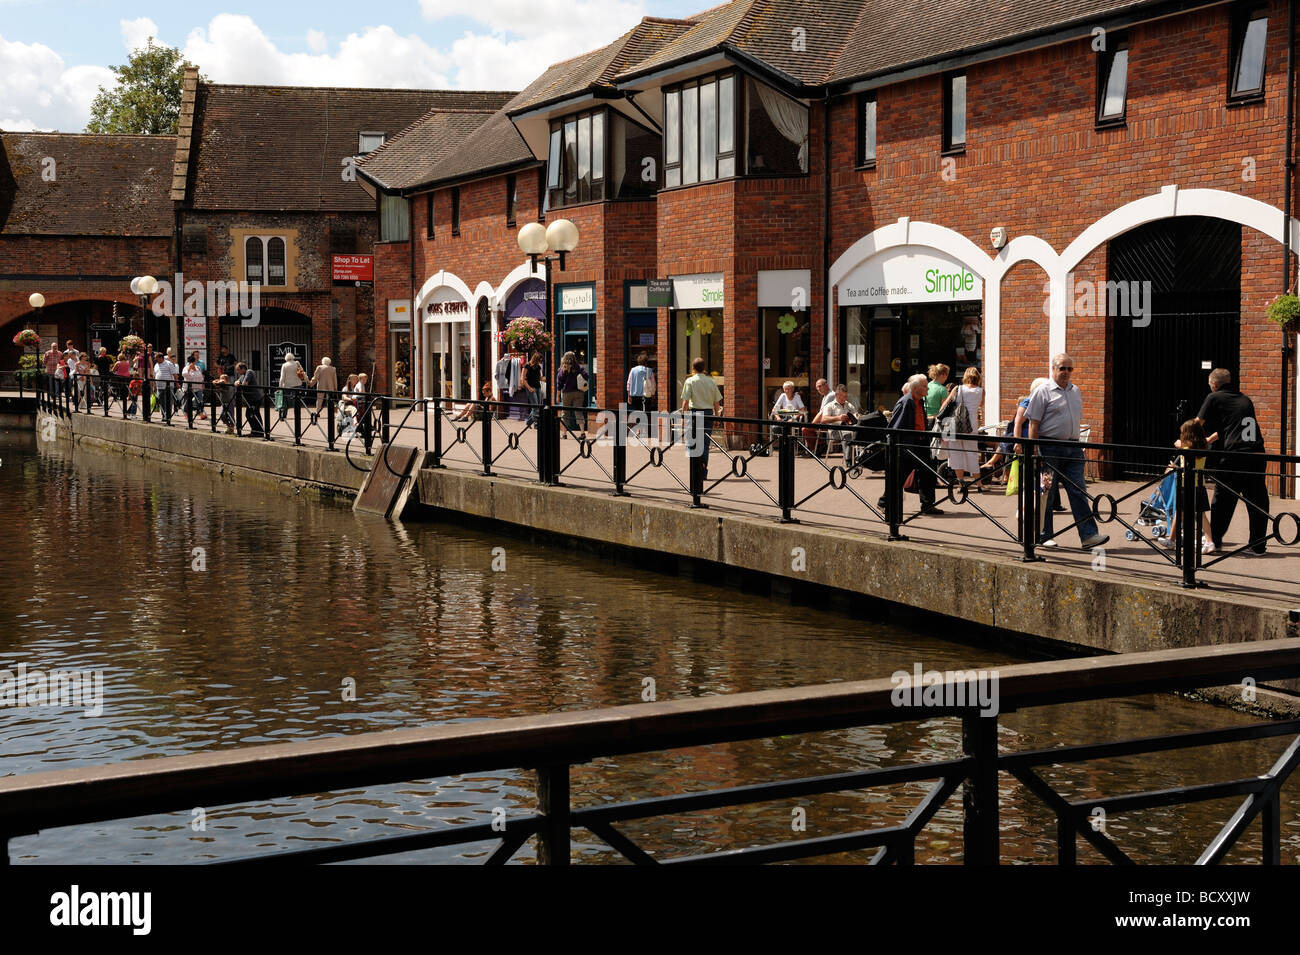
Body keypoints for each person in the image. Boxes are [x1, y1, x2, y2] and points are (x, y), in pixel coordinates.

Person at [1025, 353, 1108, 550]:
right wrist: (1034, 451)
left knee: (1078, 491)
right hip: (1049, 447)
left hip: (1073, 448)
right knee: (1047, 493)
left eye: (1069, 369)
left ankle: (1088, 535)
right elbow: (1033, 424)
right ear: (1053, 369)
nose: (1066, 372)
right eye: (1062, 368)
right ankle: (1044, 535)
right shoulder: (1043, 391)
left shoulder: (1075, 391)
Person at [1197, 367, 1270, 555]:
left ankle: (1215, 542)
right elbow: (1231, 427)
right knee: (1257, 502)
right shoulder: (1244, 399)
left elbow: (1196, 425)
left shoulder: (1213, 397)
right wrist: (1212, 439)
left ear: (1214, 384)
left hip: (1233, 458)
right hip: (1255, 456)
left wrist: (1187, 442)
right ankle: (1258, 545)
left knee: (1222, 501)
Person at [879, 374, 942, 515]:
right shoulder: (906, 402)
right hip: (909, 445)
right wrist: (901, 446)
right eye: (925, 386)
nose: (928, 388)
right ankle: (884, 502)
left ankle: (927, 505)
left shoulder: (920, 401)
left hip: (920, 443)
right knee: (900, 476)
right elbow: (896, 426)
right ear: (916, 388)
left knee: (927, 473)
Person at [1156, 418, 1215, 553]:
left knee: (1180, 512)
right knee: (1200, 515)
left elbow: (1179, 444)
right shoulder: (1203, 445)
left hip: (1185, 485)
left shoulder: (1184, 446)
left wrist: (1180, 444)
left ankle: (1172, 540)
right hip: (1199, 485)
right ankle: (1209, 542)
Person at [937, 366, 984, 488]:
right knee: (972, 453)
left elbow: (944, 405)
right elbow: (981, 404)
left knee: (956, 454)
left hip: (955, 425)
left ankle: (961, 483)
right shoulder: (981, 391)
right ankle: (978, 483)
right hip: (971, 426)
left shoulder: (958, 389)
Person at [680, 356, 722, 478]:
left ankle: (695, 470)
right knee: (705, 443)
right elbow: (716, 403)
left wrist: (684, 416)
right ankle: (703, 469)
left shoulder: (690, 381)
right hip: (708, 414)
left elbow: (685, 402)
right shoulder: (711, 381)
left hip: (694, 414)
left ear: (693, 368)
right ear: (704, 368)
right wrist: (717, 417)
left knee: (693, 442)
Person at [813, 383, 859, 464]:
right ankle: (849, 461)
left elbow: (856, 414)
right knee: (847, 433)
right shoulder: (829, 406)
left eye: (845, 396)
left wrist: (855, 417)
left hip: (849, 427)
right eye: (842, 396)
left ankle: (862, 458)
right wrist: (838, 418)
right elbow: (823, 419)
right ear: (836, 395)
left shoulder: (848, 405)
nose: (844, 398)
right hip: (835, 431)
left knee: (861, 432)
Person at [234, 361, 265, 436]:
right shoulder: (243, 375)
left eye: (238, 370)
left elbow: (245, 384)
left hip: (255, 398)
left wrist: (239, 383)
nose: (237, 372)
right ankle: (255, 431)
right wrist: (237, 382)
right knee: (250, 414)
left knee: (254, 414)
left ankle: (259, 432)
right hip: (250, 399)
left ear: (243, 368)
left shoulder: (249, 372)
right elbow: (237, 381)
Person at [557, 351, 583, 436]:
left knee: (565, 413)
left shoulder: (562, 369)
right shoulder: (579, 367)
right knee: (578, 411)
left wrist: (557, 396)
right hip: (578, 392)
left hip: (566, 393)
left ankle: (564, 433)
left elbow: (559, 384)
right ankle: (582, 433)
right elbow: (586, 376)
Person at [277, 351, 304, 422]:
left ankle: (284, 415)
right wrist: (307, 381)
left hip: (288, 386)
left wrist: (280, 387)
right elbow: (302, 372)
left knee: (285, 401)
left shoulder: (284, 365)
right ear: (292, 357)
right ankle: (297, 415)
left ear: (286, 358)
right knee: (297, 401)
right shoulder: (297, 363)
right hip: (297, 384)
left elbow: (282, 377)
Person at [181, 354, 206, 420]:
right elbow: (185, 375)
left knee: (200, 401)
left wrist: (202, 384)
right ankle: (186, 413)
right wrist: (189, 368)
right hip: (189, 388)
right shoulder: (186, 368)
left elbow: (201, 377)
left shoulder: (198, 368)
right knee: (187, 401)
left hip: (198, 387)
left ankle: (201, 413)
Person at [522, 352, 543, 426]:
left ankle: (528, 422)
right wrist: (529, 388)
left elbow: (540, 378)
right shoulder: (527, 366)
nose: (540, 362)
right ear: (536, 359)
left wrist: (547, 379)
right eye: (539, 360)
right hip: (530, 387)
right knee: (536, 407)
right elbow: (523, 379)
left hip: (538, 387)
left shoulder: (538, 367)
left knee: (538, 406)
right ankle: (536, 424)